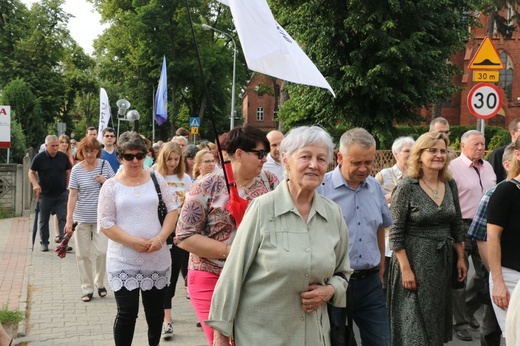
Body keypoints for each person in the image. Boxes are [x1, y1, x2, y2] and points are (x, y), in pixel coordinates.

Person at [207, 126, 351, 346]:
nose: (314, 165)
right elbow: (233, 272)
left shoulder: (333, 214)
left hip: (312, 335)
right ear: (285, 161)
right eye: (305, 156)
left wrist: (330, 290)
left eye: (321, 159)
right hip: (261, 335)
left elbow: (343, 273)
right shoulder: (262, 208)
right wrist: (220, 333)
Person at [175, 124, 279, 345]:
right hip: (211, 276)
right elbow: (184, 236)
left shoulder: (270, 182)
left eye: (266, 154)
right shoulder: (206, 185)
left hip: (255, 278)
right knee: (222, 341)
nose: (264, 159)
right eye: (259, 154)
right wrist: (231, 251)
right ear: (239, 154)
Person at [98, 131, 180, 346]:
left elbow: (173, 209)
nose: (135, 160)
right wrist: (132, 241)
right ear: (120, 157)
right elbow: (106, 223)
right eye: (129, 156)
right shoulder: (111, 186)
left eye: (139, 155)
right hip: (123, 259)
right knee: (127, 313)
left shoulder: (156, 178)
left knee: (154, 314)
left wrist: (161, 238)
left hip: (156, 256)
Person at [387, 132, 467, 345]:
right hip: (413, 263)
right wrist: (405, 270)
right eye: (432, 150)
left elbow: (457, 223)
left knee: (434, 323)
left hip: (442, 264)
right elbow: (396, 232)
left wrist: (461, 257)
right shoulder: (406, 187)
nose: (439, 155)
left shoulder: (449, 184)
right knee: (413, 327)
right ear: (419, 155)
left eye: (442, 150)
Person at [318, 127, 393, 346]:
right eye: (356, 162)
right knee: (337, 341)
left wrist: (380, 266)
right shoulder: (321, 190)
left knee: (381, 341)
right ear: (339, 157)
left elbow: (380, 226)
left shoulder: (375, 188)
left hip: (370, 282)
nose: (363, 169)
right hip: (333, 281)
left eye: (368, 163)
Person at [450, 130, 496, 341]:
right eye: (476, 144)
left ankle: (467, 310)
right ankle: (459, 323)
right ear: (462, 146)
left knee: (485, 273)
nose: (480, 148)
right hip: (461, 225)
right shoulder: (453, 168)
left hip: (485, 227)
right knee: (460, 275)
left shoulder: (488, 167)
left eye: (482, 144)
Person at [467, 144, 515, 345]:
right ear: (507, 164)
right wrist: (496, 277)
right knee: (492, 327)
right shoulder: (495, 194)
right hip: (501, 270)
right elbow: (482, 237)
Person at [64, 136, 115, 302]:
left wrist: (106, 180)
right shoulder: (77, 170)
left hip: (101, 218)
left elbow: (116, 186)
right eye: (86, 151)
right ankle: (87, 288)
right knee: (83, 254)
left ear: (97, 151)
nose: (90, 154)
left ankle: (99, 282)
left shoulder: (104, 165)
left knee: (102, 251)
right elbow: (72, 195)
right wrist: (69, 219)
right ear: (81, 152)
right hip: (81, 218)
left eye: (92, 150)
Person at [154, 141, 192, 340]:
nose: (173, 163)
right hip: (162, 229)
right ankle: (166, 319)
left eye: (177, 159)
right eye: (169, 159)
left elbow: (191, 201)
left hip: (181, 230)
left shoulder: (185, 178)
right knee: (166, 275)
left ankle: (169, 308)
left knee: (179, 272)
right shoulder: (155, 175)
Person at [487, 136, 520, 341]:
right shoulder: (506, 190)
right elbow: (492, 238)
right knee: (515, 337)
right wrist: (498, 282)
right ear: (517, 154)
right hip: (509, 276)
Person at [375, 136, 415, 291]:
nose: (411, 154)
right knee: (387, 282)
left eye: (413, 151)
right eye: (407, 151)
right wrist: (393, 196)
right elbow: (371, 202)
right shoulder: (383, 175)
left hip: (411, 237)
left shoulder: (417, 177)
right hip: (387, 238)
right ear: (396, 154)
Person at [28, 135, 72, 252]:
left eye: (57, 145)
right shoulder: (39, 158)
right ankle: (44, 242)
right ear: (46, 145)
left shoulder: (63, 157)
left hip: (61, 193)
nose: (55, 148)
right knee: (43, 219)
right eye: (52, 146)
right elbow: (31, 173)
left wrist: (68, 187)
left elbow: (67, 172)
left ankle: (63, 242)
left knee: (63, 218)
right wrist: (35, 184)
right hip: (45, 194)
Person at [53, 134, 75, 243]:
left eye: (66, 142)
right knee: (58, 211)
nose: (65, 144)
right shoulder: (56, 155)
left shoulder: (71, 155)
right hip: (60, 184)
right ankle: (58, 234)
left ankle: (65, 234)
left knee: (67, 211)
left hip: (71, 185)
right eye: (62, 142)